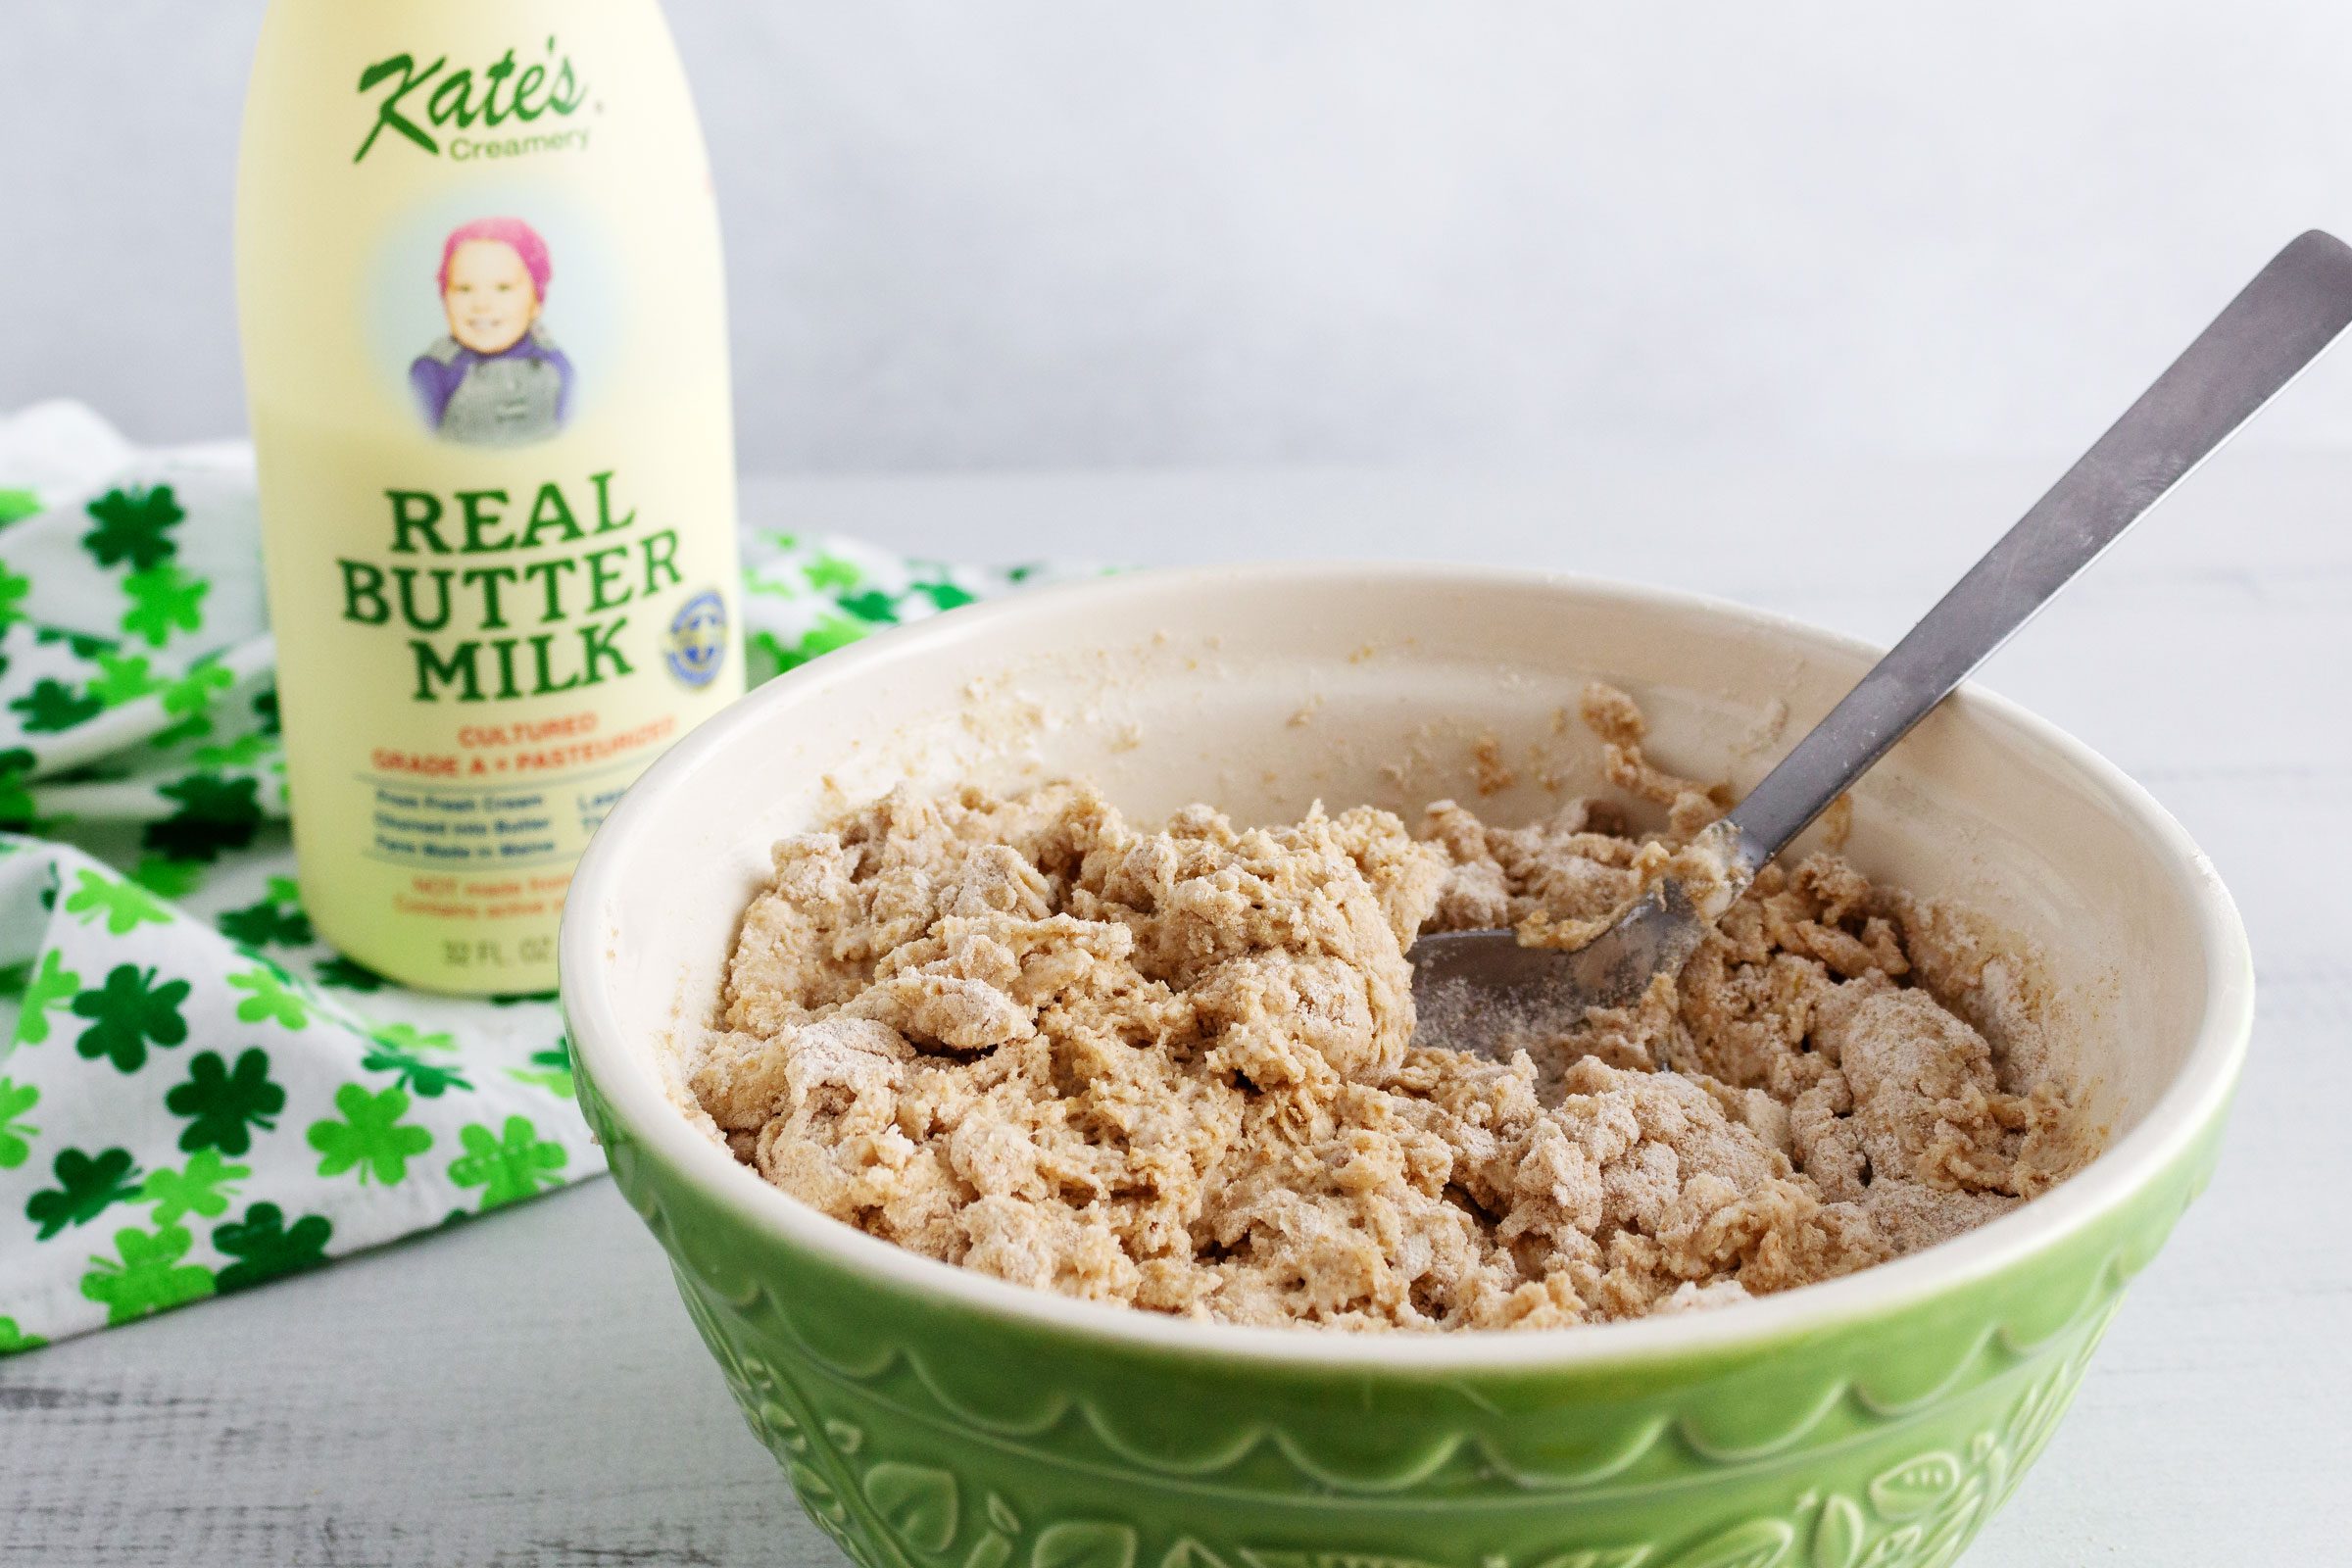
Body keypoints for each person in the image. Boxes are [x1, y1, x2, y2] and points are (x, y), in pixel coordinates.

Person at [409, 217, 575, 445]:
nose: (481, 304)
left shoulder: (555, 366)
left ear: (537, 300)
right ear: (445, 299)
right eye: (464, 289)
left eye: (503, 288)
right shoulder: (434, 372)